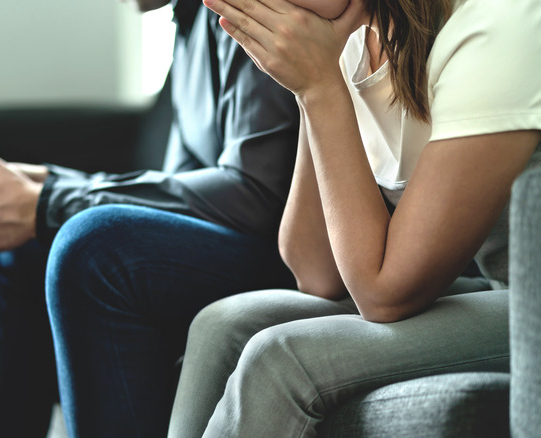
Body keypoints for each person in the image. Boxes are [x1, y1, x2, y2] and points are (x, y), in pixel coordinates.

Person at [0, 0, 302, 436]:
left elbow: (255, 193)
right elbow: (183, 182)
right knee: (13, 248)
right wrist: (46, 187)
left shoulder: (247, 10)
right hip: (239, 242)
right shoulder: (188, 21)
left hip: (293, 258)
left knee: (91, 246)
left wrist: (50, 200)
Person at [167, 0, 541, 436]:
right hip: (499, 290)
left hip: (530, 302)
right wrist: (310, 87)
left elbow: (384, 295)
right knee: (222, 326)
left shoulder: (498, 23)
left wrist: (320, 88)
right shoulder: (357, 38)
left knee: (282, 359)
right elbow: (316, 271)